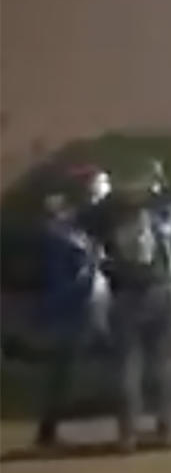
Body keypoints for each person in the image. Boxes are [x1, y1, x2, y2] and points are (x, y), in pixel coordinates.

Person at [88, 127, 171, 450]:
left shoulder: (104, 212)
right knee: (163, 361)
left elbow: (86, 240)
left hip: (125, 292)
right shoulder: (160, 206)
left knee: (127, 364)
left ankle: (127, 435)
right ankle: (166, 430)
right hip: (164, 290)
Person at [34, 187, 109, 448]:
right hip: (70, 308)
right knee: (62, 370)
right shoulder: (57, 237)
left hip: (80, 305)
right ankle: (48, 430)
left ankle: (50, 427)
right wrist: (90, 266)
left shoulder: (73, 235)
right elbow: (66, 277)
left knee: (65, 370)